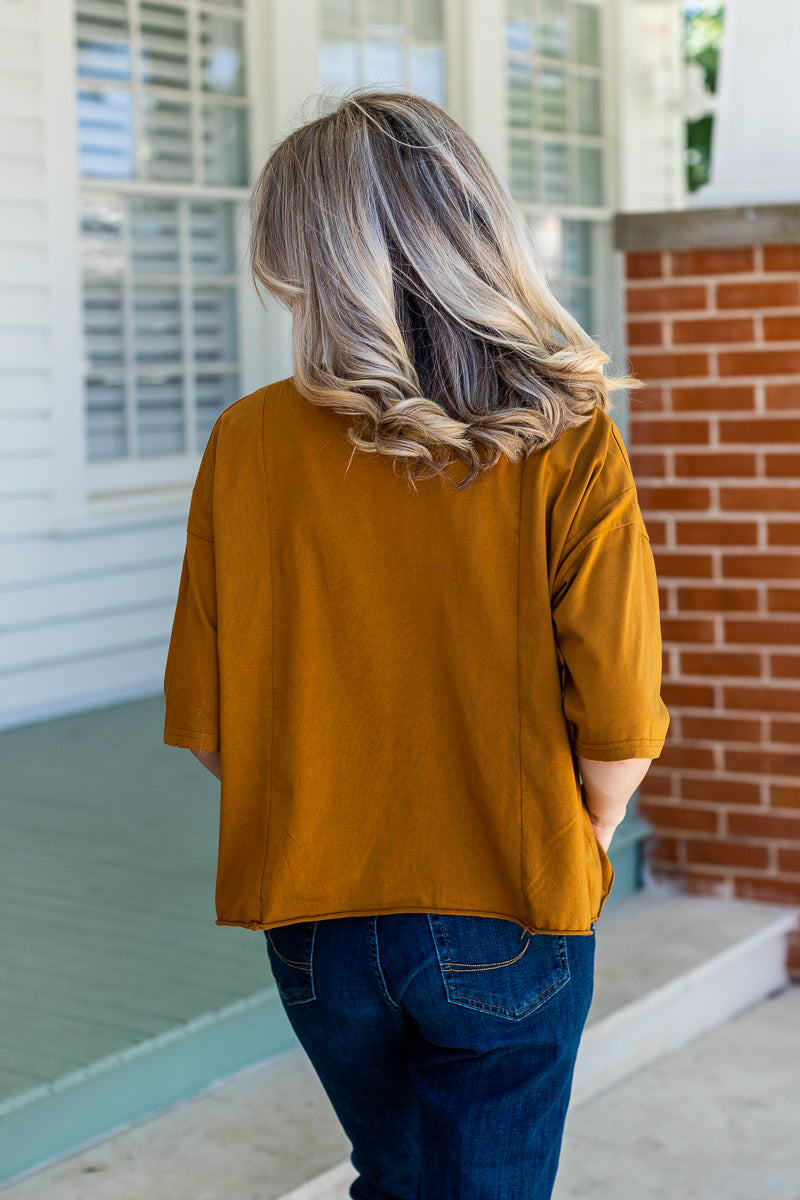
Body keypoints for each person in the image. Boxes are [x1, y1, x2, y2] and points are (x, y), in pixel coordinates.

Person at [163, 88, 670, 1200]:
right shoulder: (563, 432)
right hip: (507, 896)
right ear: (469, 231)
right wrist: (572, 825)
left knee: (391, 1181)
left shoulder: (245, 442)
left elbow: (209, 727)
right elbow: (622, 718)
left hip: (314, 924)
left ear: (307, 256)